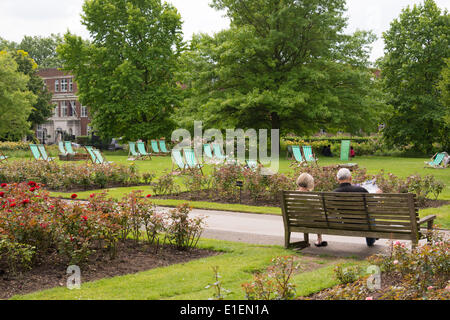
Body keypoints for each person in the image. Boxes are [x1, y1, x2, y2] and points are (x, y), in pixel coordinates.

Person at [333, 168, 377, 247]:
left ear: (337, 179)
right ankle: (371, 240)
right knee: (370, 217)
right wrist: (377, 195)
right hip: (362, 223)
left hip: (344, 222)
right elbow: (373, 204)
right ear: (350, 178)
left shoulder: (334, 193)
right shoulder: (360, 190)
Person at [296, 173, 327, 247]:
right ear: (310, 183)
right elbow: (319, 212)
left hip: (296, 221)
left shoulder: (291, 196)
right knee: (318, 216)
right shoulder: (312, 197)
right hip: (311, 223)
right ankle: (319, 239)